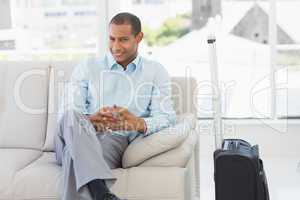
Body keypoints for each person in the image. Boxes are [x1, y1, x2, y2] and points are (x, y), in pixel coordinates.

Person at [54, 12, 176, 200]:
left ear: (139, 37)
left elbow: (167, 117)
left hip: (113, 141)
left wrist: (137, 123)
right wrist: (90, 120)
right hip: (71, 134)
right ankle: (103, 195)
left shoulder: (155, 72)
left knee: (75, 156)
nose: (116, 47)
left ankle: (99, 193)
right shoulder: (87, 66)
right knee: (71, 116)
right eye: (112, 39)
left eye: (123, 40)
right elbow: (65, 113)